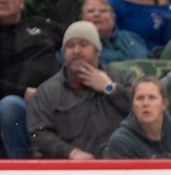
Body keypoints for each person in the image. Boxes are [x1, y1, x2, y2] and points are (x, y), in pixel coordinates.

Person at [0, 0, 64, 158]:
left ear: (22, 3)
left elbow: (76, 43)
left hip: (55, 99)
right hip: (11, 105)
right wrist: (24, 92)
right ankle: (21, 169)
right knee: (10, 105)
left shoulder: (42, 25)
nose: (3, 0)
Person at [28, 21, 133, 159]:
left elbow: (145, 112)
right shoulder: (47, 92)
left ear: (97, 51)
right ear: (63, 53)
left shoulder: (122, 79)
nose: (76, 51)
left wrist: (110, 88)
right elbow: (39, 133)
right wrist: (71, 153)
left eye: (83, 44)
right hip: (72, 170)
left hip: (124, 165)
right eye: (70, 46)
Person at [104, 75, 171, 158]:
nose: (145, 103)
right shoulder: (120, 141)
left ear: (164, 104)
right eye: (140, 98)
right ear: (133, 106)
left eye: (152, 98)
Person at [81, 0, 149, 64]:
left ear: (113, 16)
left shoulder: (132, 37)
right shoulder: (78, 45)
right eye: (90, 11)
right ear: (82, 18)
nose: (96, 14)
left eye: (103, 11)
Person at [107, 0, 171, 53]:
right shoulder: (114, 5)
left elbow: (170, 40)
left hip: (162, 59)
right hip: (129, 58)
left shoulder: (163, 5)